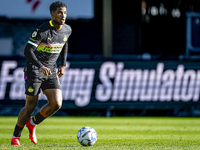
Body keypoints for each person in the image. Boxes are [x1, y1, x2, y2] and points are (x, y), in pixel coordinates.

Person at [11, 1, 72, 146]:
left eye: (64, 12)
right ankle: (16, 136)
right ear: (52, 14)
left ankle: (32, 123)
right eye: (59, 12)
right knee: (31, 106)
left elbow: (64, 43)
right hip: (34, 70)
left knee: (56, 103)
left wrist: (63, 64)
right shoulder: (42, 31)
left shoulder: (67, 29)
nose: (62, 15)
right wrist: (39, 66)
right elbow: (28, 50)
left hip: (50, 70)